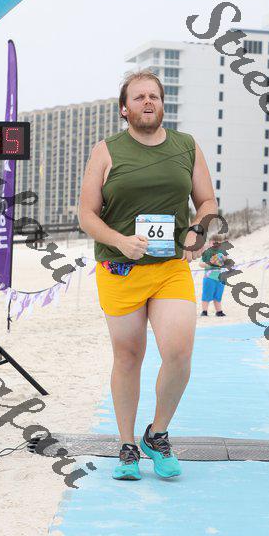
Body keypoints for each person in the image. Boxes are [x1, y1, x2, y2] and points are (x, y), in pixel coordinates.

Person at [78, 69, 218, 481]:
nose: (147, 102)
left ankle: (157, 434)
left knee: (178, 352)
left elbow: (207, 201)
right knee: (129, 356)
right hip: (119, 267)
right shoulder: (106, 151)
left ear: (162, 103)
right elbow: (86, 214)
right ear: (124, 109)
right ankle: (127, 446)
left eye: (154, 95)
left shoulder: (186, 146)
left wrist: (198, 230)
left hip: (170, 266)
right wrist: (120, 241)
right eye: (138, 97)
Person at [199, 234, 228, 317]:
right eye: (213, 243)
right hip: (209, 278)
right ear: (209, 243)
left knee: (218, 295)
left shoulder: (222, 254)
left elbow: (226, 262)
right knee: (207, 294)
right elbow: (200, 264)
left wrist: (224, 259)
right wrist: (208, 264)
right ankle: (204, 311)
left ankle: (219, 311)